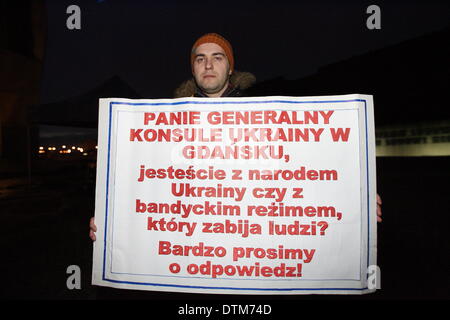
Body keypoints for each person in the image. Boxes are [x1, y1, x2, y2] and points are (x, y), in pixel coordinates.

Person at [89, 32, 383, 241]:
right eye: (200, 58)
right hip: (191, 248)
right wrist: (111, 218)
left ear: (230, 67)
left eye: (217, 57)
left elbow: (301, 172)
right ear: (192, 68)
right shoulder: (163, 126)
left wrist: (353, 201)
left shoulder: (269, 110)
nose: (208, 65)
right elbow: (145, 183)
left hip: (253, 249)